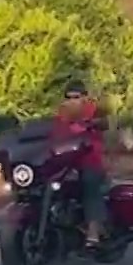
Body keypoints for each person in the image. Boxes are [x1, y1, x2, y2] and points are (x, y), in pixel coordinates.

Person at [52, 79, 109, 244]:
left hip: (90, 159)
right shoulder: (62, 113)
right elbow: (53, 131)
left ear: (85, 97)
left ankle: (93, 233)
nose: (72, 101)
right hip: (66, 160)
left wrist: (94, 124)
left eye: (76, 97)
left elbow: (104, 122)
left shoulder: (93, 110)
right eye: (68, 97)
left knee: (89, 184)